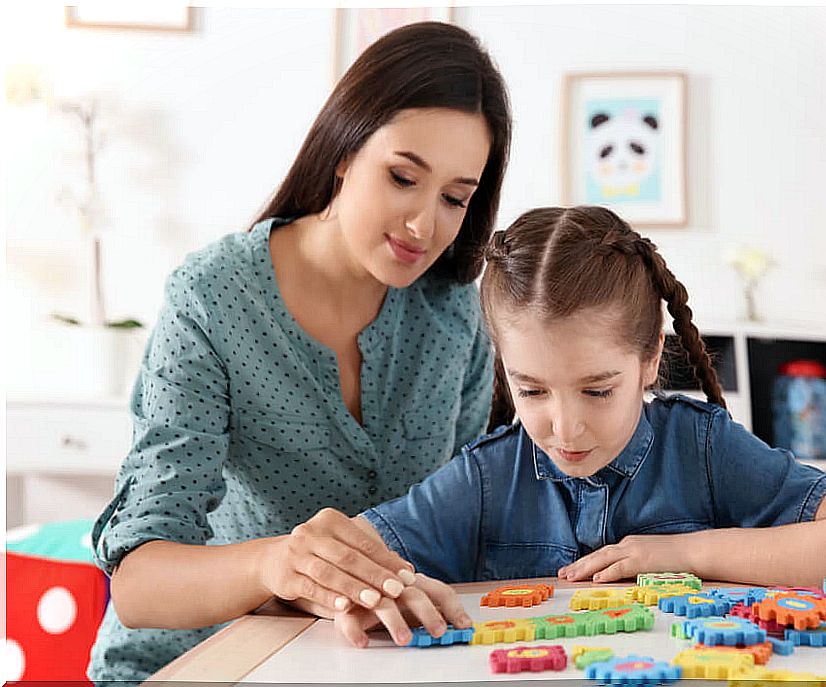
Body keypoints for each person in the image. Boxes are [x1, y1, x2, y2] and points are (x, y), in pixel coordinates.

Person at [87, 22, 511, 683]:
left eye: (456, 197)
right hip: (196, 661)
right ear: (343, 150)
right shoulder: (214, 297)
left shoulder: (454, 315)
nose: (425, 225)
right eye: (403, 177)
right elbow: (139, 582)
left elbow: (460, 525)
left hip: (363, 663)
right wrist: (273, 563)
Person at [331, 205, 826, 648]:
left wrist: (684, 553)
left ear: (648, 359)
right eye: (532, 390)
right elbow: (338, 563)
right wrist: (370, 591)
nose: (566, 428)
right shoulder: (485, 479)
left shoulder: (703, 448)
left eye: (597, 390)